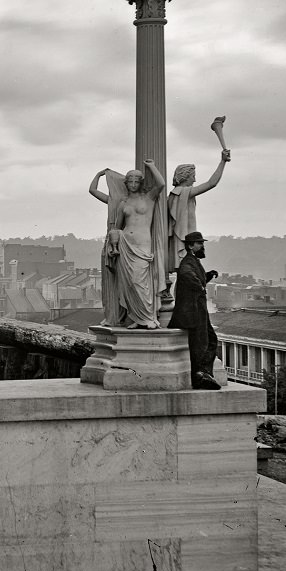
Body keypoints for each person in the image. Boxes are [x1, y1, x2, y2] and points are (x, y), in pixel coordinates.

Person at [89, 160, 166, 329]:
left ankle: (147, 317)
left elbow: (161, 184)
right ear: (126, 183)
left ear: (140, 183)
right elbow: (117, 227)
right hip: (125, 246)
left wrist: (152, 166)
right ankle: (138, 319)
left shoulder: (149, 198)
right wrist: (99, 174)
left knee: (141, 282)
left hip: (142, 246)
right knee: (130, 283)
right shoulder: (123, 203)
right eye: (130, 181)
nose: (132, 184)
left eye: (136, 181)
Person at [168, 231, 221, 390]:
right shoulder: (188, 262)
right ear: (191, 245)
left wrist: (208, 276)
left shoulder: (193, 261)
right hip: (194, 311)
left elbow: (196, 276)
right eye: (200, 243)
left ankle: (204, 373)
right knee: (201, 344)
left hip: (198, 311)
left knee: (210, 340)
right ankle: (199, 375)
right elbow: (186, 274)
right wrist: (199, 286)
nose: (202, 246)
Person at [168, 148, 230, 275]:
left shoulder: (175, 195)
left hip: (184, 237)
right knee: (186, 273)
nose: (194, 180)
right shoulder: (183, 192)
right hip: (184, 238)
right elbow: (211, 183)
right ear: (185, 177)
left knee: (187, 272)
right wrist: (222, 162)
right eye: (193, 177)